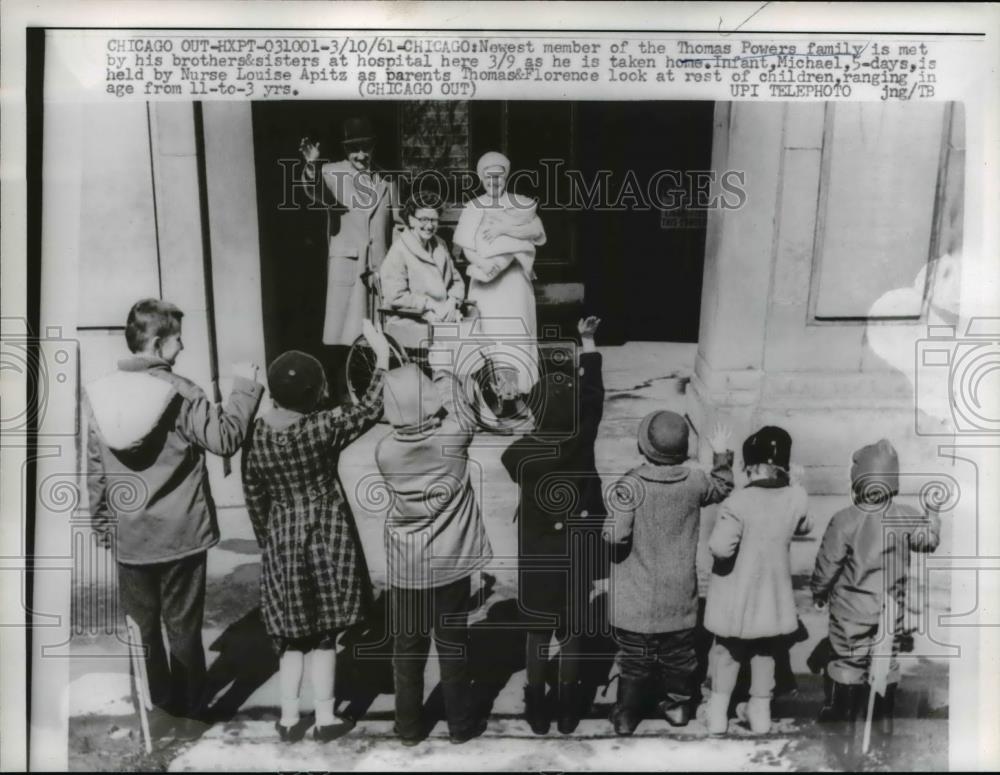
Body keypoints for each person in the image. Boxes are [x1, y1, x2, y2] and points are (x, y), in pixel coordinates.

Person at [84, 299, 263, 740]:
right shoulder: (180, 393)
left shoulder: (99, 394)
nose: (183, 347)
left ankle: (157, 708)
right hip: (181, 533)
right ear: (160, 343)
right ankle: (191, 715)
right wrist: (245, 387)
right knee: (182, 628)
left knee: (142, 631)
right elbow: (224, 438)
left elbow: (94, 469)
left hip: (131, 536)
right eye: (178, 338)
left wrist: (105, 527)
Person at [241, 321, 390, 744]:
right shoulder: (322, 427)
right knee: (326, 633)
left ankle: (289, 718)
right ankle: (326, 718)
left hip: (283, 538)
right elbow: (368, 409)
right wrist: (380, 359)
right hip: (328, 535)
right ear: (315, 392)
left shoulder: (257, 437)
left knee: (291, 636)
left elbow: (254, 495)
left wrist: (267, 540)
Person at [373, 361, 494, 745]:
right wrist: (444, 372)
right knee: (453, 646)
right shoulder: (454, 438)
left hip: (407, 567)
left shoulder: (386, 452)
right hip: (450, 563)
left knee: (407, 650)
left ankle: (408, 728)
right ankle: (461, 724)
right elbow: (462, 408)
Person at [499, 316, 606, 735]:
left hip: (538, 561)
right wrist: (588, 341)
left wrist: (524, 417)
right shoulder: (584, 436)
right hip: (576, 554)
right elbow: (594, 395)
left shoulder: (524, 456)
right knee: (573, 629)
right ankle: (566, 708)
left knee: (538, 633)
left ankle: (536, 703)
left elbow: (511, 453)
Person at [603, 411, 734, 736]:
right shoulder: (693, 482)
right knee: (679, 657)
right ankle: (677, 708)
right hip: (678, 596)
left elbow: (616, 535)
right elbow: (722, 486)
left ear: (643, 446)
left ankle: (627, 714)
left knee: (634, 660)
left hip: (635, 599)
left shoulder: (629, 485)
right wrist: (721, 454)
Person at [811, 438, 942, 761]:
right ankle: (882, 737)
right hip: (889, 613)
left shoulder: (844, 520)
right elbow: (929, 540)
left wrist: (818, 591)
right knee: (885, 666)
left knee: (847, 666)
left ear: (857, 483)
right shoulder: (906, 517)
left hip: (850, 614)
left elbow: (827, 565)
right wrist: (933, 514)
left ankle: (843, 737)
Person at [702, 426, 812, 735]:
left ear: (749, 468)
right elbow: (804, 526)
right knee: (766, 656)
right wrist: (799, 486)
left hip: (736, 600)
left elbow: (721, 549)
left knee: (726, 654)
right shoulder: (795, 498)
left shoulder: (738, 503)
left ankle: (718, 716)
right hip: (772, 602)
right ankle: (760, 713)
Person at [299, 116, 399, 398]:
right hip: (349, 269)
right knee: (345, 337)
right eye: (355, 149)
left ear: (374, 147)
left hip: (379, 270)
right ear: (345, 150)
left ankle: (376, 395)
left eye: (366, 147)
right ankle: (344, 397)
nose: (361, 155)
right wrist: (311, 165)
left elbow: (399, 225)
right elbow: (313, 190)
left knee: (378, 336)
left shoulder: (387, 180)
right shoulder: (331, 174)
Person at [453, 151, 546, 409]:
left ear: (506, 177)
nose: (494, 182)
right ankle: (493, 398)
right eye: (488, 177)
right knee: (490, 337)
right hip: (486, 285)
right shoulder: (473, 207)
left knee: (514, 335)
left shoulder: (521, 204)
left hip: (514, 283)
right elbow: (466, 246)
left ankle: (517, 397)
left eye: (499, 176)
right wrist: (483, 263)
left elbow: (536, 232)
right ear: (481, 178)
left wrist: (506, 231)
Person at [379, 191, 466, 353]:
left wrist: (452, 302)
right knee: (460, 345)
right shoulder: (399, 250)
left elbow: (456, 282)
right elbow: (395, 296)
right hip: (412, 318)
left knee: (472, 338)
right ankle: (447, 377)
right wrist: (428, 306)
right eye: (423, 219)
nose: (429, 225)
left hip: (443, 315)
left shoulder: (440, 245)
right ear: (411, 220)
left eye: (433, 220)